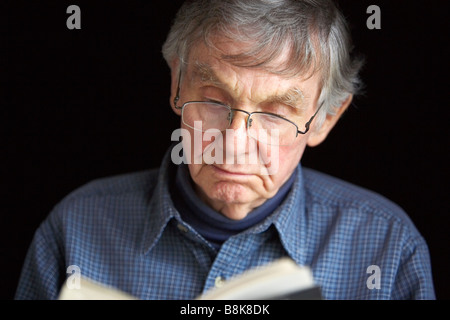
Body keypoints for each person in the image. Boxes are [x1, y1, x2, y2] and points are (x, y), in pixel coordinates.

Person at [16, 0, 435, 300]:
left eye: (276, 113)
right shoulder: (73, 229)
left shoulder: (388, 245)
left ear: (324, 120)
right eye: (215, 100)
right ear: (176, 85)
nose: (233, 142)